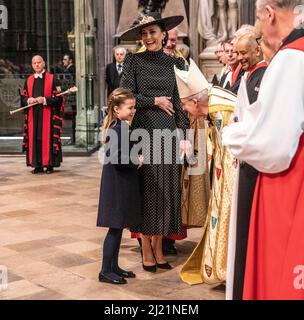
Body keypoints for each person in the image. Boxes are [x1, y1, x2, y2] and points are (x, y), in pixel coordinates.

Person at [222, 0, 304, 300]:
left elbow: (272, 146)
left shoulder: (292, 58)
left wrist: (229, 135)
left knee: (276, 274)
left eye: (258, 18)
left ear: (269, 14)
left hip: (289, 183)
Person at [120, 12, 190, 272]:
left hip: (170, 135)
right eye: (144, 33)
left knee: (167, 192)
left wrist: (185, 136)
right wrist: (154, 101)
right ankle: (146, 248)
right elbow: (125, 97)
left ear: (164, 34)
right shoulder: (133, 61)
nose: (148, 37)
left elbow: (180, 102)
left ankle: (160, 247)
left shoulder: (175, 63)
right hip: (144, 133)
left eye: (153, 32)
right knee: (148, 191)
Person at [175, 59, 237, 285]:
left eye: (185, 105)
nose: (184, 110)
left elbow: (231, 153)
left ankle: (225, 269)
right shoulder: (213, 103)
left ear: (195, 101)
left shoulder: (221, 110)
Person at [226, 31, 268, 300]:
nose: (239, 57)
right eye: (237, 53)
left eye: (244, 53)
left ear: (257, 49)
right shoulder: (249, 73)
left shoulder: (262, 75)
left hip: (254, 163)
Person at [97, 88, 144, 285]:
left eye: (134, 107)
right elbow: (117, 159)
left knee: (118, 228)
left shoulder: (121, 127)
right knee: (114, 230)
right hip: (116, 186)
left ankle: (114, 266)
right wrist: (137, 160)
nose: (133, 110)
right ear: (117, 109)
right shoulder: (117, 129)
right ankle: (105, 271)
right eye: (130, 107)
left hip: (120, 184)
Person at [21, 55, 63, 174]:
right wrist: (29, 100)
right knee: (36, 139)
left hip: (48, 116)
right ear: (32, 65)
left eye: (39, 62)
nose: (37, 65)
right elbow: (23, 98)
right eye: (34, 63)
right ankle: (37, 165)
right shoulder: (28, 80)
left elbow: (60, 99)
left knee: (47, 138)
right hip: (33, 116)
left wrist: (44, 99)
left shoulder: (53, 79)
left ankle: (49, 164)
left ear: (44, 64)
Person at [62, 53, 76, 144]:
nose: (63, 61)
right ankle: (73, 138)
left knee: (73, 118)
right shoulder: (69, 69)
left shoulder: (70, 69)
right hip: (71, 97)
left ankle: (73, 139)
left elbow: (68, 83)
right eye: (63, 59)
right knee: (73, 118)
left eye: (65, 59)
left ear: (70, 60)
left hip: (72, 97)